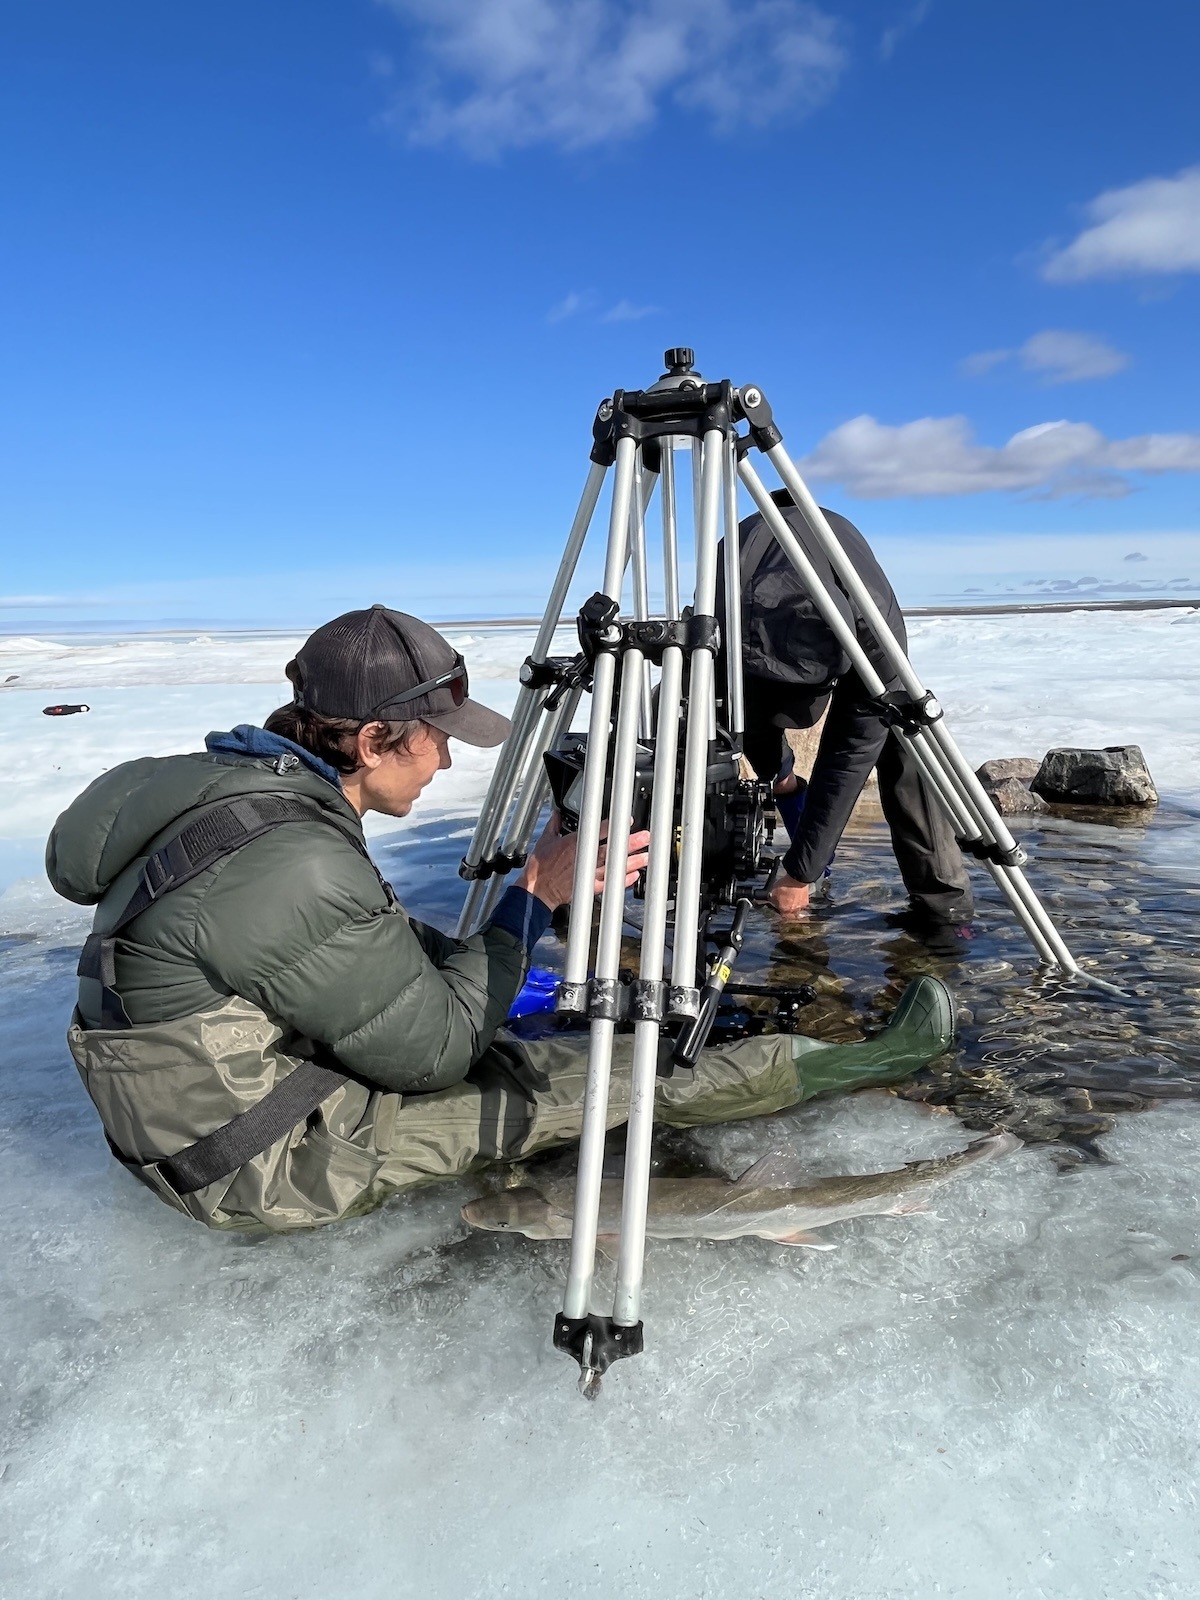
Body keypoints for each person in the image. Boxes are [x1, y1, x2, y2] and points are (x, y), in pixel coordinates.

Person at [48, 603, 959, 1232]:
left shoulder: (224, 793)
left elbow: (324, 949)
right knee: (603, 1074)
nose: (445, 761)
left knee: (518, 1009)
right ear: (372, 741)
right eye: (436, 737)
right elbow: (433, 1052)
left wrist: (502, 951)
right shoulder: (296, 863)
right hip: (254, 1161)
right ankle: (862, 1058)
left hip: (181, 1113)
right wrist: (538, 896)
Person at [727, 490, 974, 933]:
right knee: (716, 714)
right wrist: (779, 776)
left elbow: (848, 755)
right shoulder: (726, 618)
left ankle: (944, 909)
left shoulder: (874, 631)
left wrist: (801, 871)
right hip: (745, 598)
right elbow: (743, 712)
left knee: (903, 738)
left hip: (859, 610)